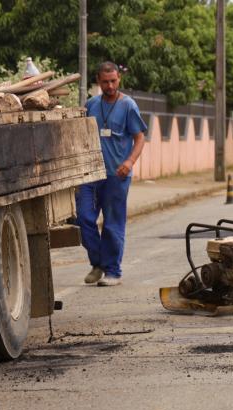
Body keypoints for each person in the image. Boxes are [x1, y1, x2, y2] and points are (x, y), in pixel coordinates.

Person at [76, 62, 147, 286]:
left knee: (112, 224)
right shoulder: (91, 105)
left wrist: (129, 161)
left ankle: (113, 271)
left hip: (117, 175)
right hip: (91, 175)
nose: (110, 85)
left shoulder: (128, 105)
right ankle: (99, 263)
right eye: (105, 81)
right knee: (83, 218)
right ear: (98, 81)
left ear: (119, 80)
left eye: (113, 81)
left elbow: (140, 138)